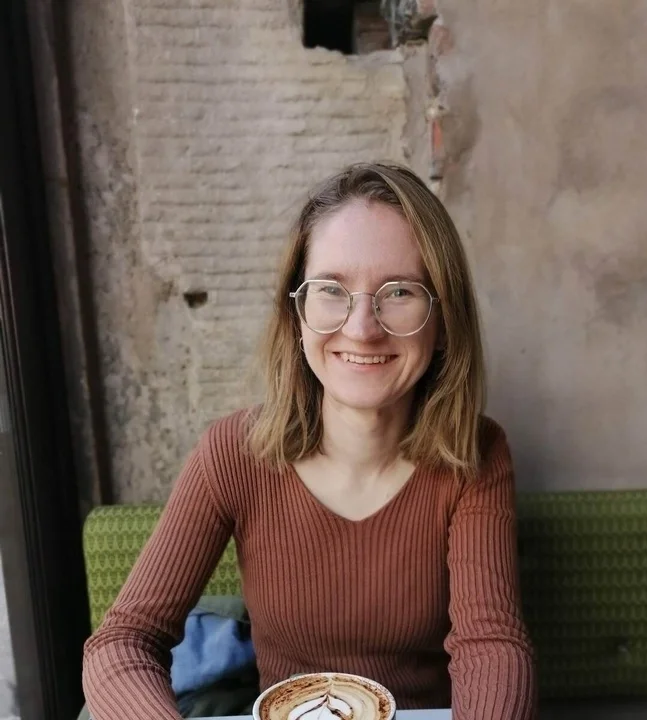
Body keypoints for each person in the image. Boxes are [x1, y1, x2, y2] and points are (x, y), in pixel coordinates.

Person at [82, 162, 537, 719]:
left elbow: (490, 644)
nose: (362, 328)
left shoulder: (476, 454)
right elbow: (123, 641)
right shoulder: (233, 453)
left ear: (443, 322)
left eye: (399, 291)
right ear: (296, 313)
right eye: (331, 290)